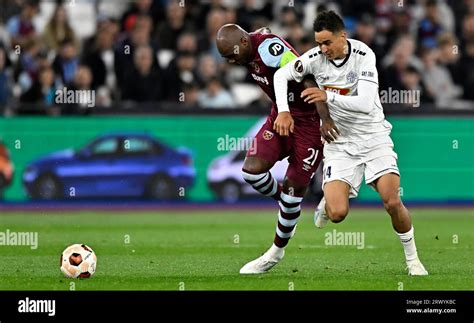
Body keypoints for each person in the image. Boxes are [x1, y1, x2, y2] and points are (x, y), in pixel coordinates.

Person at [273, 11, 428, 276]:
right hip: (340, 143)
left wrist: (326, 96)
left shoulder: (364, 55)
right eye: (318, 43)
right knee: (337, 214)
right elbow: (280, 76)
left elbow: (366, 104)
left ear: (342, 36)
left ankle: (413, 260)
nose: (323, 49)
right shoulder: (314, 59)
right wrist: (283, 111)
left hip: (373, 137)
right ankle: (326, 203)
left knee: (391, 201)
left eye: (327, 43)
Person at [216, 24, 337, 274]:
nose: (229, 61)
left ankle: (275, 253)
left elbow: (305, 76)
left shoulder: (269, 48)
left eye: (231, 54)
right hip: (280, 118)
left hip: (309, 123)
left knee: (295, 188)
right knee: (251, 172)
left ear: (244, 41)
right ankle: (288, 204)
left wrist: (324, 117)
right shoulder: (248, 49)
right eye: (225, 57)